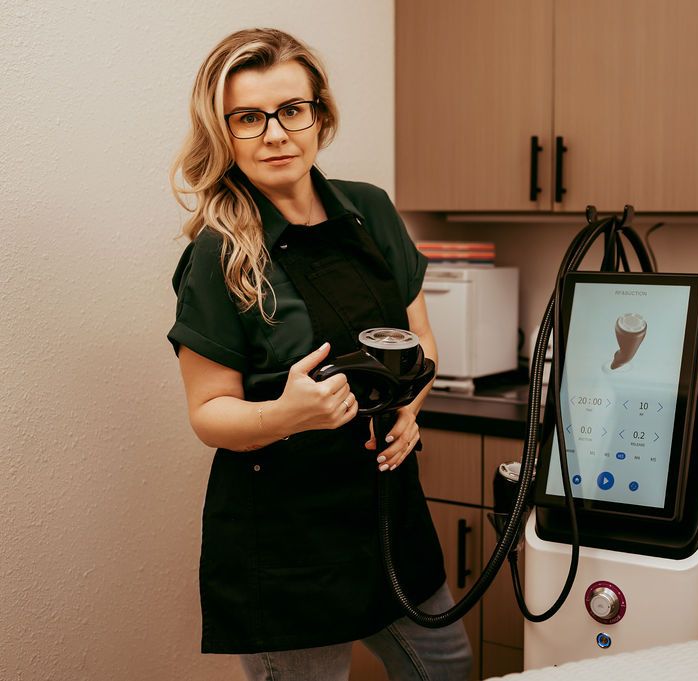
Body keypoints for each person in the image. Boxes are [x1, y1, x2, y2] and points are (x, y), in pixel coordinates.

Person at [167, 28, 472, 681]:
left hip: (390, 515)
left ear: (319, 116)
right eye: (248, 118)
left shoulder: (370, 210)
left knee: (446, 664)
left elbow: (422, 348)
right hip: (287, 541)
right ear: (224, 132)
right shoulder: (220, 252)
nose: (274, 133)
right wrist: (289, 412)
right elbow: (208, 413)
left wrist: (411, 408)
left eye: (291, 110)